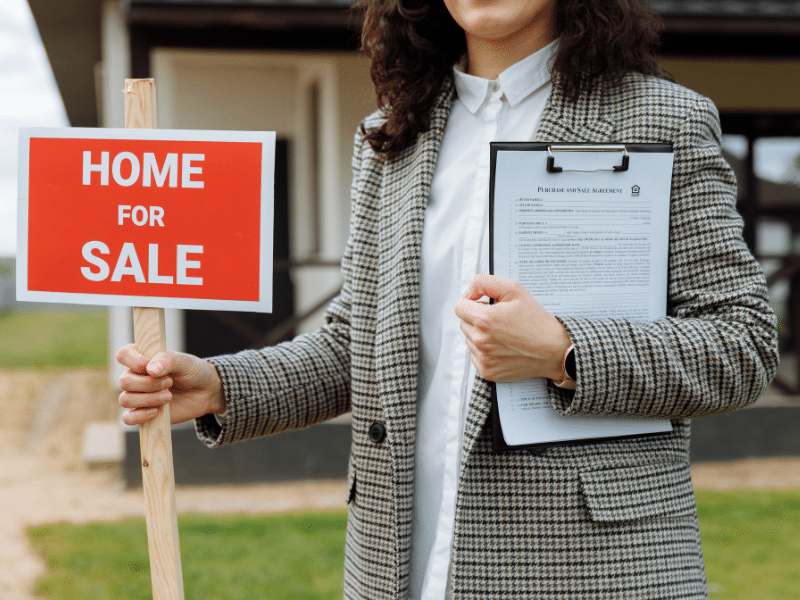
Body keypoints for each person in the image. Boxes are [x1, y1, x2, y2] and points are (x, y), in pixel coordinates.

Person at [117, 0, 778, 598]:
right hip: (397, 562)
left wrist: (563, 351)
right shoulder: (389, 136)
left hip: (594, 567)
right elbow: (360, 344)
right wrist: (220, 384)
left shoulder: (663, 118)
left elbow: (741, 342)